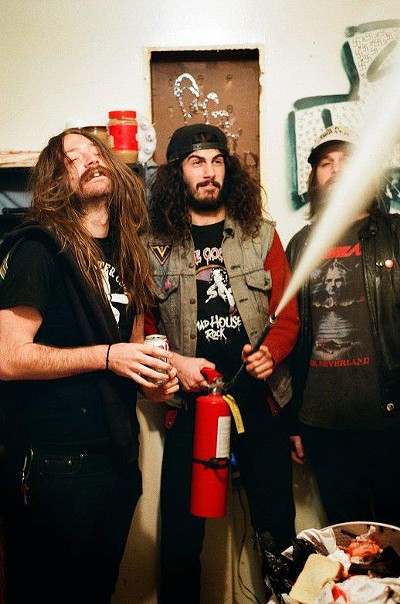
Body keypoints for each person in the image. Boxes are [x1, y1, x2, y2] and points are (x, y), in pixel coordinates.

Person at [0, 128, 178, 604]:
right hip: (57, 463)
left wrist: (155, 383)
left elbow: (131, 353)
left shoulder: (128, 251)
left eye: (95, 151)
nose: (90, 159)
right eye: (72, 158)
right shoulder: (38, 250)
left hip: (117, 457)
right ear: (55, 181)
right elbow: (8, 357)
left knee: (97, 594)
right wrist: (107, 356)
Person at [143, 123, 300, 603]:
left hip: (259, 403)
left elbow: (288, 315)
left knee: (277, 531)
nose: (209, 172)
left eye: (217, 161)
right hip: (191, 408)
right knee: (180, 537)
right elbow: (144, 328)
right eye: (197, 162)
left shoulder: (260, 235)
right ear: (178, 173)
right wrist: (175, 363)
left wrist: (271, 352)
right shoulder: (152, 244)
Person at [286, 125, 400, 527]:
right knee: (346, 545)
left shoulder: (396, 235)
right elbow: (290, 335)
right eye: (326, 163)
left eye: (348, 161)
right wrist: (294, 421)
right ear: (314, 178)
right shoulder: (299, 245)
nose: (336, 170)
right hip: (322, 427)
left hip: (390, 423)